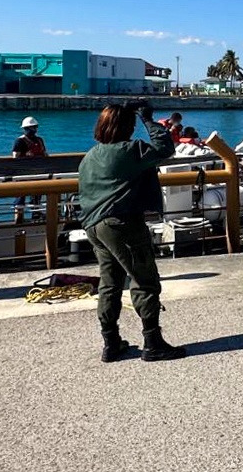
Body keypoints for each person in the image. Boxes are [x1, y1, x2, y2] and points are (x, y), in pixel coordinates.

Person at [78, 102, 186, 362]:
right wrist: (149, 120)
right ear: (127, 127)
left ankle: (111, 342)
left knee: (110, 284)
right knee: (144, 279)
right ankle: (152, 341)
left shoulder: (90, 156)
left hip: (94, 225)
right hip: (122, 224)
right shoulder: (130, 150)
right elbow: (165, 148)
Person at [11, 116, 48, 224]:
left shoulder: (39, 140)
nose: (32, 130)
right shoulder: (19, 141)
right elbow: (15, 158)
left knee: (36, 197)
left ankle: (35, 214)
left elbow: (45, 154)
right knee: (20, 198)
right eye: (30, 128)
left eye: (34, 127)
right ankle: (18, 219)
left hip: (38, 174)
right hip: (23, 175)